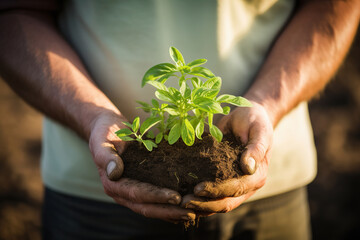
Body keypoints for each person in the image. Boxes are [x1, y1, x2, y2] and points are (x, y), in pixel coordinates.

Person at [0, 0, 359, 239]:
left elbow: (335, 6)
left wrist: (268, 101)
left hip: (271, 184)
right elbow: (16, 12)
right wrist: (93, 116)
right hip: (91, 195)